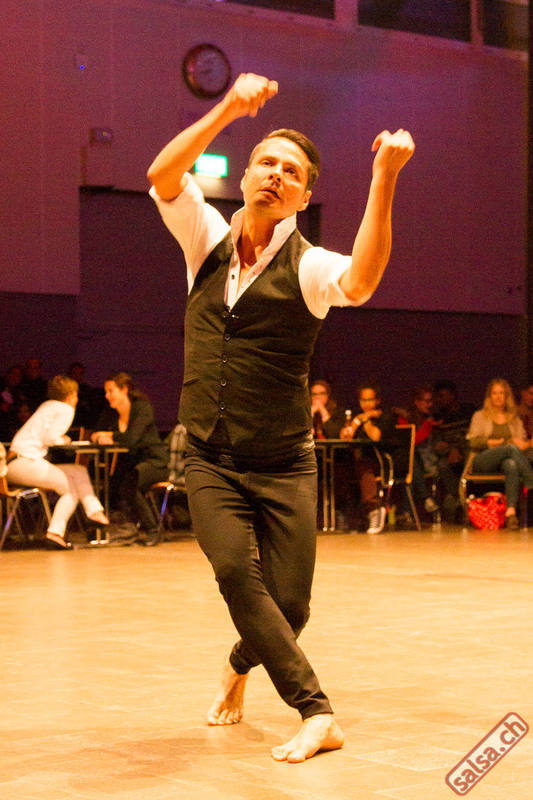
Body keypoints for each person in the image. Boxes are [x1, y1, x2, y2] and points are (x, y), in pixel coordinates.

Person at [147, 71, 414, 762]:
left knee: (290, 609)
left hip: (284, 461)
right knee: (237, 574)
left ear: (303, 196)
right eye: (266, 162)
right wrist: (226, 110)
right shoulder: (205, 238)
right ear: (244, 177)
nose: (275, 174)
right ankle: (316, 711)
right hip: (210, 454)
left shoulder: (308, 266)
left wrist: (384, 177)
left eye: (291, 171)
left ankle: (239, 665)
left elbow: (362, 279)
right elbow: (163, 174)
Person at [6, 375, 109, 549]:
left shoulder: (47, 406)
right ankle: (55, 533)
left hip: (13, 465)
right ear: (70, 395)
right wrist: (65, 440)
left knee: (78, 470)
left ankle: (94, 511)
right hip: (27, 462)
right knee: (70, 490)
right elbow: (51, 438)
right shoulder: (65, 409)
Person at [91, 372, 168, 538]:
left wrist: (109, 435)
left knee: (129, 483)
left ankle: (153, 529)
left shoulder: (142, 408)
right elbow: (96, 433)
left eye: (111, 391)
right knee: (113, 482)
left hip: (156, 462)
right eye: (106, 392)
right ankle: (118, 527)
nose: (107, 396)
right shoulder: (111, 413)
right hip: (132, 463)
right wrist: (99, 437)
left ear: (124, 389)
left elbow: (132, 438)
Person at [466, 378, 533, 529]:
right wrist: (497, 442)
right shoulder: (480, 415)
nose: (498, 397)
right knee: (510, 448)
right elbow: (473, 441)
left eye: (501, 393)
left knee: (511, 464)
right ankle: (531, 483)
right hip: (483, 459)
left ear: (506, 396)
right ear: (489, 396)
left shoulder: (513, 418)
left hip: (505, 461)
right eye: (495, 393)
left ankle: (511, 513)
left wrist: (525, 443)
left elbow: (521, 443)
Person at [340, 381, 396, 534]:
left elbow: (375, 437)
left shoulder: (386, 417)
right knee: (340, 467)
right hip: (360, 459)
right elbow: (346, 437)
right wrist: (356, 421)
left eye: (370, 399)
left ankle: (374, 510)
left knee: (363, 466)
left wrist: (365, 419)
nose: (366, 403)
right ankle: (347, 517)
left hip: (381, 460)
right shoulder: (358, 417)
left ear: (377, 400)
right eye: (363, 400)